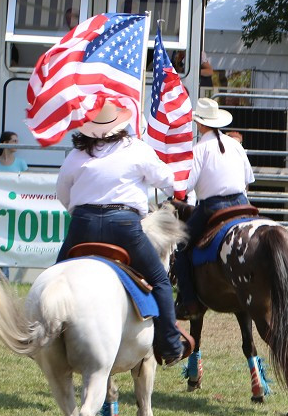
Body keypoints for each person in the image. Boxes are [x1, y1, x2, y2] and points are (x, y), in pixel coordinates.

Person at [54, 100, 191, 366]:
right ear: (119, 124)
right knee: (160, 280)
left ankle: (49, 336)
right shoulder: (136, 149)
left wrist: (82, 211)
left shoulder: (75, 156)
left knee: (56, 276)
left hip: (83, 224)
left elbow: (62, 193)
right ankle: (171, 345)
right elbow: (169, 181)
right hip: (125, 227)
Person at [173, 97, 255, 319]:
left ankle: (189, 303)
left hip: (212, 207)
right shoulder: (235, 145)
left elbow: (186, 187)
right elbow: (248, 179)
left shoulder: (199, 149)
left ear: (200, 124)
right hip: (242, 204)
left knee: (181, 248)